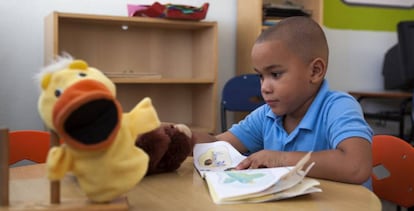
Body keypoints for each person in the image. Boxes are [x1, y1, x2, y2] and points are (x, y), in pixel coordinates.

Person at [193, 16, 373, 189]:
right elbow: (217, 145)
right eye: (261, 76)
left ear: (315, 71)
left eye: (275, 74)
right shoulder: (267, 115)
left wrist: (280, 159)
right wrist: (180, 136)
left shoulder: (338, 107)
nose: (264, 87)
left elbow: (356, 166)